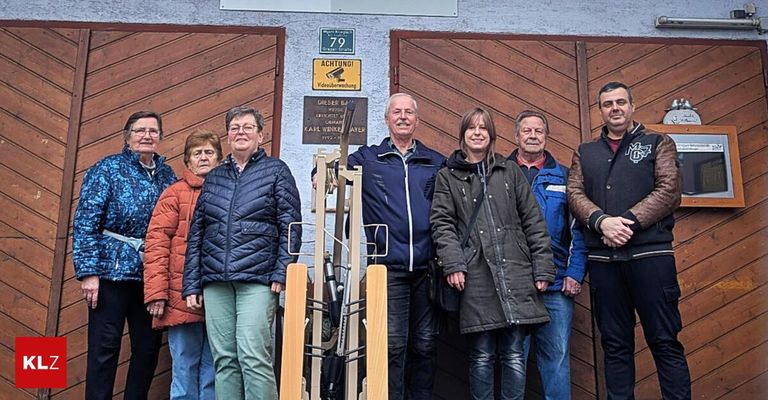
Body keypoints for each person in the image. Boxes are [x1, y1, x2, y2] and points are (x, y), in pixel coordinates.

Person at [567, 81, 691, 400]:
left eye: (621, 102)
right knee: (615, 345)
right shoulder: (585, 152)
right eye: (608, 104)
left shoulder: (658, 142)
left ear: (632, 105)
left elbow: (669, 190)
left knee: (665, 341)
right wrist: (601, 221)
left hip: (651, 259)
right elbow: (574, 193)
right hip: (604, 265)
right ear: (601, 110)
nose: (615, 108)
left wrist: (628, 222)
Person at [431, 107, 555, 400]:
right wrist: (453, 265)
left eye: (483, 128)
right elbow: (442, 224)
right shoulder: (447, 177)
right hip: (475, 276)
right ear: (462, 136)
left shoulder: (509, 171)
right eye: (471, 128)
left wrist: (543, 268)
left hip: (516, 273)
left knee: (514, 354)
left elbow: (534, 222)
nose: (477, 133)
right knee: (482, 354)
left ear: (491, 136)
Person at [182, 106, 302, 400]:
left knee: (253, 356)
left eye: (248, 127)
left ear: (260, 135)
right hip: (216, 282)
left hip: (258, 279)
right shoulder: (215, 177)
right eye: (235, 127)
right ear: (228, 135)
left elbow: (290, 224)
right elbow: (198, 231)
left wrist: (283, 269)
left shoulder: (276, 171)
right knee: (224, 360)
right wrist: (192, 283)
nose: (241, 132)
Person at [341, 93, 444, 399]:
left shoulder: (435, 161)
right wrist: (320, 174)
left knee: (425, 344)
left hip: (429, 267)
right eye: (396, 112)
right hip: (388, 267)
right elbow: (336, 165)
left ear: (417, 119)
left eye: (409, 112)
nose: (403, 116)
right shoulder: (368, 158)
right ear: (386, 119)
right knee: (393, 344)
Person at [73, 110, 177, 400]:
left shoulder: (167, 175)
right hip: (110, 274)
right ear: (127, 136)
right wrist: (88, 273)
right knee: (104, 349)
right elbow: (85, 222)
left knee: (147, 349)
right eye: (140, 130)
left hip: (150, 276)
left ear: (160, 137)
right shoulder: (107, 169)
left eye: (153, 131)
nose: (147, 136)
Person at [510, 110, 587, 400]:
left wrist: (575, 272)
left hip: (556, 286)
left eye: (538, 131)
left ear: (546, 136)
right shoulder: (499, 173)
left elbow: (579, 230)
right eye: (527, 131)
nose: (532, 136)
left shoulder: (566, 178)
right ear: (516, 136)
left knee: (556, 359)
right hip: (513, 286)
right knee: (512, 360)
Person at [144, 131, 223, 400]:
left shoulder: (228, 192)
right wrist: (156, 293)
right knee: (184, 368)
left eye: (209, 152)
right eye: (197, 153)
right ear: (188, 161)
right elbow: (156, 245)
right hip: (180, 296)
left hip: (219, 295)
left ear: (219, 159)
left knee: (215, 369)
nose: (203, 157)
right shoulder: (174, 194)